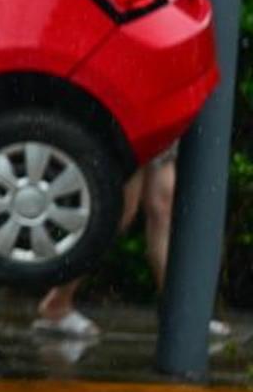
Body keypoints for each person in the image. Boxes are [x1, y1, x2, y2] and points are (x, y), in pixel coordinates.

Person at [34, 142, 229, 337]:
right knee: (119, 213)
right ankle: (58, 301)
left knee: (162, 207)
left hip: (160, 122)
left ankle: (182, 313)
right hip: (139, 125)